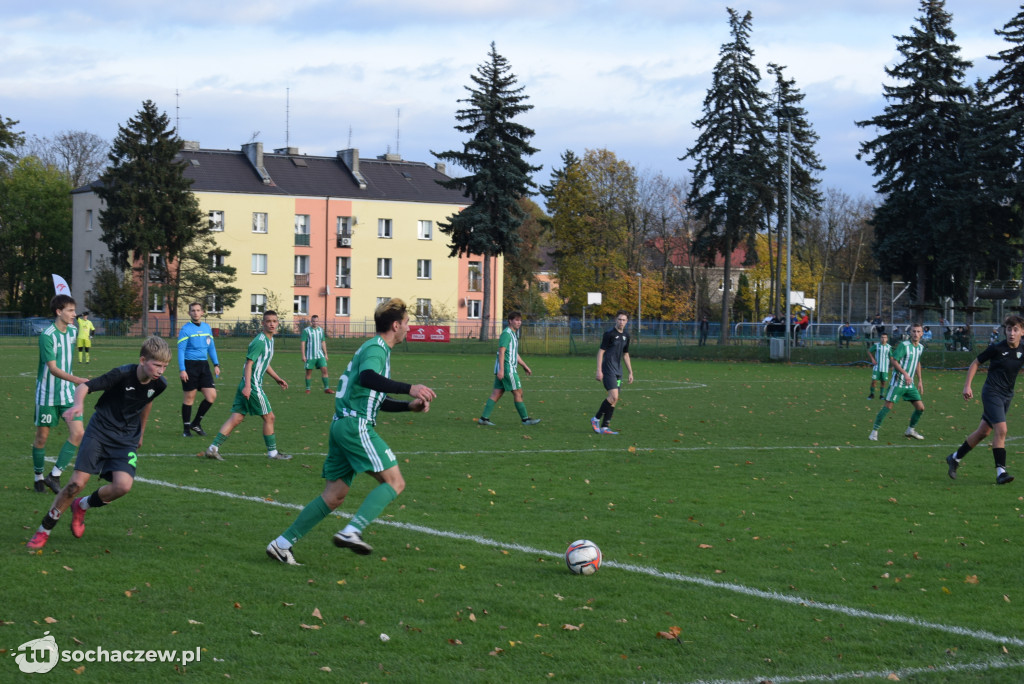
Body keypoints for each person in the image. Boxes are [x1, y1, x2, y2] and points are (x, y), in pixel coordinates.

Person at [266, 299, 436, 565]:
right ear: (395, 325)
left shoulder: (375, 349)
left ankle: (281, 544)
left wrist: (408, 407)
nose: (408, 328)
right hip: (355, 426)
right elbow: (368, 377)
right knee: (395, 482)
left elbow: (373, 396)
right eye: (406, 323)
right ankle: (351, 531)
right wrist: (410, 387)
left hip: (342, 425)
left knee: (334, 496)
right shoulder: (377, 348)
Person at [26, 336, 170, 551]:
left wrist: (141, 432)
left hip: (126, 439)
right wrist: (78, 406)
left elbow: (146, 402)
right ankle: (44, 529)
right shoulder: (121, 374)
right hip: (100, 432)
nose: (160, 370)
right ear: (142, 360)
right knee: (76, 484)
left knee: (123, 486)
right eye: (156, 365)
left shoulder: (160, 384)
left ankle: (82, 505)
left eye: (165, 366)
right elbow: (85, 387)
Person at [946, 316, 1024, 485]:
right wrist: (967, 386)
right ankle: (1001, 472)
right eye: (1009, 329)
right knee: (1001, 430)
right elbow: (975, 363)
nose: (1012, 333)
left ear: (1022, 332)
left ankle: (954, 458)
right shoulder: (996, 348)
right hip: (991, 393)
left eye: (1015, 329)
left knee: (983, 432)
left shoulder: (1022, 350)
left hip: (1007, 396)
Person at [204, 310, 290, 461]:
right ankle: (273, 453)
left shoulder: (270, 340)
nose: (271, 324)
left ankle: (213, 449)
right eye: (268, 321)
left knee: (236, 418)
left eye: (274, 321)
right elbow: (249, 364)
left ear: (277, 323)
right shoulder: (260, 341)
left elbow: (264, 362)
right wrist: (248, 386)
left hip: (247, 383)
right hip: (253, 384)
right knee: (269, 417)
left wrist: (277, 378)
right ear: (263, 323)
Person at [32, 295, 88, 494]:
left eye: (74, 310)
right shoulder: (47, 335)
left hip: (68, 394)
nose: (74, 314)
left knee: (78, 433)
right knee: (41, 438)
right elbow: (53, 369)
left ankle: (54, 475)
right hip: (47, 393)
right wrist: (79, 380)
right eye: (70, 311)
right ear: (59, 312)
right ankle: (38, 476)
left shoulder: (73, 330)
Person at [477, 311, 540, 426]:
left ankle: (483, 419)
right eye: (516, 320)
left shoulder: (513, 334)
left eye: (520, 320)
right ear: (510, 321)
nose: (519, 322)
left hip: (506, 368)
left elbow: (514, 354)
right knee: (518, 392)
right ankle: (525, 420)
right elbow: (502, 351)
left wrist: (524, 366)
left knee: (497, 392)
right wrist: (502, 370)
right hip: (507, 369)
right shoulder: (507, 333)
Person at [869, 323, 926, 441]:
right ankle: (874, 432)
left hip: (910, 384)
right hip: (898, 382)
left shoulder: (920, 347)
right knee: (888, 406)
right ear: (910, 333)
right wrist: (905, 374)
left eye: (918, 331)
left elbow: (917, 363)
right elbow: (894, 361)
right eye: (913, 331)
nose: (915, 334)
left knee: (920, 408)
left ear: (922, 333)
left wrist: (920, 380)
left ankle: (910, 430)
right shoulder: (904, 346)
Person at [177, 302, 220, 438]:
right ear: (189, 313)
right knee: (189, 398)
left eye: (198, 310)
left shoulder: (207, 328)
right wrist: (182, 369)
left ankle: (196, 423)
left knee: (211, 396)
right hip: (190, 366)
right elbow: (181, 350)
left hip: (204, 366)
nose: (195, 313)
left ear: (202, 312)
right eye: (193, 310)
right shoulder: (185, 329)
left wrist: (216, 364)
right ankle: (186, 430)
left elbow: (211, 347)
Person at [591, 311, 634, 435]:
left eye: (624, 320)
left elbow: (626, 355)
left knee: (614, 399)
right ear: (616, 320)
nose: (621, 322)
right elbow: (601, 352)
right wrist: (599, 370)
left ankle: (605, 427)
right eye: (619, 319)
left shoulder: (626, 336)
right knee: (613, 396)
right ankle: (596, 419)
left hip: (618, 372)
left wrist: (630, 372)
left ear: (627, 322)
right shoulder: (609, 334)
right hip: (608, 369)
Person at [301, 314, 331, 394]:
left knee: (325, 370)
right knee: (308, 373)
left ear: (318, 321)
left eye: (316, 321)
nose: (315, 322)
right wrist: (303, 355)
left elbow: (323, 342)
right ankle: (308, 389)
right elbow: (303, 343)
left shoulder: (321, 330)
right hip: (310, 356)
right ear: (311, 321)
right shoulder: (306, 331)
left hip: (320, 355)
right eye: (313, 321)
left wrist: (326, 354)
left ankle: (326, 389)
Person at [867, 332, 892, 400]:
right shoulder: (877, 345)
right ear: (880, 338)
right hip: (877, 367)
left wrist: (893, 365)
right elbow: (869, 351)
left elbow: (891, 357)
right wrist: (873, 359)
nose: (883, 339)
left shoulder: (889, 347)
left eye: (885, 337)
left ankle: (881, 395)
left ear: (887, 339)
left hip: (885, 368)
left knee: (883, 382)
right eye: (882, 337)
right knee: (874, 381)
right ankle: (872, 394)